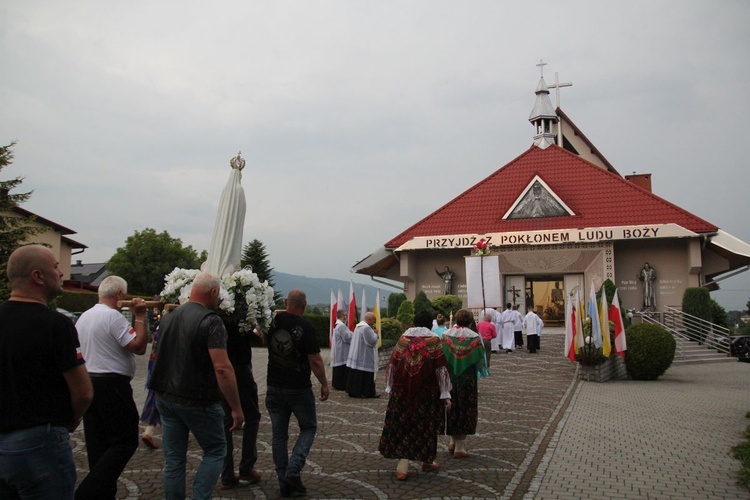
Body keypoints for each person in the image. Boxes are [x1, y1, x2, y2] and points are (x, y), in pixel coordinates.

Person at [0, 245, 94, 500]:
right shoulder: (56, 324)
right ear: (37, 276)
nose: (62, 272)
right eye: (55, 266)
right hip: (40, 442)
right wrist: (70, 420)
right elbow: (83, 392)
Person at [148, 272, 244, 500]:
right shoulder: (211, 321)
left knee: (173, 459)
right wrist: (236, 408)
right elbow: (222, 368)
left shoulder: (168, 317)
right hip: (197, 399)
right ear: (213, 293)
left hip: (165, 396)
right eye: (218, 294)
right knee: (216, 450)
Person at [75, 276, 149, 500]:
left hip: (89, 381)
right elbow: (137, 347)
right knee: (125, 442)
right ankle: (87, 493)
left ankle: (103, 495)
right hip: (112, 384)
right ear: (119, 295)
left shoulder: (84, 317)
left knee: (98, 444)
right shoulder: (112, 316)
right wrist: (140, 317)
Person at [265, 289, 329, 497]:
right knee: (308, 428)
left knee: (278, 434)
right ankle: (293, 470)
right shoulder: (305, 326)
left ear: (286, 302)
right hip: (298, 388)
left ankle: (284, 479)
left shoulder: (272, 322)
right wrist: (324, 384)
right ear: (305, 305)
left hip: (274, 385)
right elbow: (315, 360)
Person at [378, 311, 452, 480]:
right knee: (425, 425)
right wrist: (446, 393)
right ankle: (426, 461)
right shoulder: (433, 341)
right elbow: (441, 368)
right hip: (427, 390)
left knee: (403, 422)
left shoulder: (403, 340)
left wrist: (390, 387)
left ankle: (402, 466)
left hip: (401, 389)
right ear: (429, 324)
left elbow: (393, 364)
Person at [218, 320, 262, 490]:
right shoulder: (239, 318)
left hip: (221, 373)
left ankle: (227, 475)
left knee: (225, 422)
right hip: (240, 371)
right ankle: (246, 467)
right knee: (252, 417)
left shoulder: (215, 317)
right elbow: (256, 338)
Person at [441, 309, 489, 458]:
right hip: (468, 378)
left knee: (451, 407)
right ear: (470, 322)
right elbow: (481, 360)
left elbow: (441, 355)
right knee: (465, 408)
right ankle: (459, 447)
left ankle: (451, 440)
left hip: (450, 377)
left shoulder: (446, 336)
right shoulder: (474, 338)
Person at [345, 311, 379, 398]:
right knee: (365, 374)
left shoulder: (359, 326)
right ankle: (367, 392)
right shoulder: (366, 328)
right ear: (369, 319)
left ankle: (354, 391)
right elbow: (371, 341)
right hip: (364, 355)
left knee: (356, 374)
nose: (374, 322)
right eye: (373, 320)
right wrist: (375, 334)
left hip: (358, 354)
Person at [140, 323, 161, 449]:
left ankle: (149, 431)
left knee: (155, 398)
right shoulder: (178, 323)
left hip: (155, 368)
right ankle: (148, 432)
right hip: (168, 369)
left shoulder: (161, 325)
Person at [331, 309, 353, 391]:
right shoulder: (341, 326)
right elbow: (347, 337)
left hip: (340, 349)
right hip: (342, 350)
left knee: (339, 367)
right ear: (341, 316)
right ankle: (341, 384)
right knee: (342, 367)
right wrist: (354, 336)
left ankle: (337, 384)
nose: (346, 317)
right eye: (344, 315)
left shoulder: (339, 324)